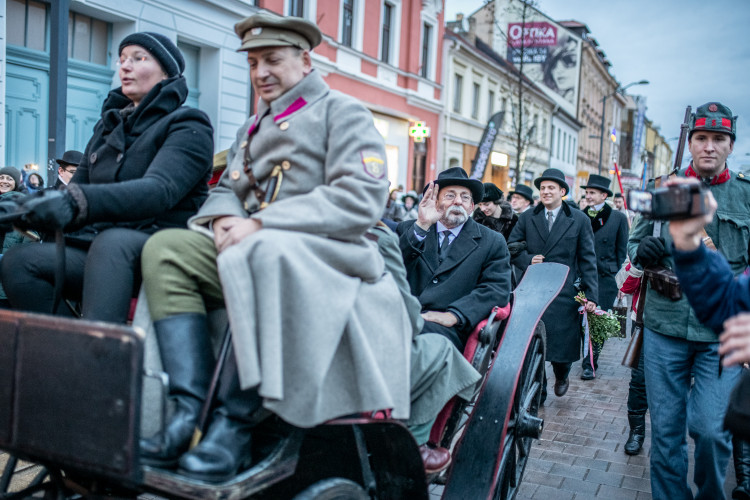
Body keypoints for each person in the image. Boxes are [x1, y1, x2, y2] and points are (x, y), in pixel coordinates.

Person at [138, 12, 410, 482]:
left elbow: (360, 198)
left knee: (258, 252)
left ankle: (233, 424)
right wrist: (225, 216)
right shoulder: (252, 127)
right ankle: (186, 411)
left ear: (305, 61)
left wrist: (262, 223)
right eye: (253, 62)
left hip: (330, 258)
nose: (261, 72)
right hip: (259, 251)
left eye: (273, 60)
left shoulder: (342, 113)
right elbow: (228, 188)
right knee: (166, 248)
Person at [0, 32, 213, 323]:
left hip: (159, 247)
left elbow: (158, 191)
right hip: (99, 245)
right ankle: (68, 350)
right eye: (122, 59)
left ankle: (99, 357)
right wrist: (25, 207)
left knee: (112, 244)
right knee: (19, 262)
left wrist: (78, 203)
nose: (125, 66)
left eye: (139, 59)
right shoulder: (108, 127)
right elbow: (75, 188)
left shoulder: (188, 124)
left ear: (167, 73)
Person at [628, 102, 748, 500]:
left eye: (719, 139)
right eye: (701, 138)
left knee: (712, 431)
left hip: (722, 333)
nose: (709, 147)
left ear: (731, 145)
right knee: (665, 433)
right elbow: (633, 244)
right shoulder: (663, 186)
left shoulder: (746, 196)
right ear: (691, 143)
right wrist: (642, 250)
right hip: (666, 324)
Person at [396, 167, 511, 352]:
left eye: (465, 197)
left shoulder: (492, 241)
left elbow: (496, 289)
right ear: (435, 201)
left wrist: (454, 315)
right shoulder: (410, 230)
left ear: (472, 207)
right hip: (402, 316)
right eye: (450, 195)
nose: (458, 201)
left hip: (451, 329)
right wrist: (423, 226)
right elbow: (393, 270)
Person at [508, 168, 598, 401]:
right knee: (534, 342)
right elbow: (511, 246)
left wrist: (591, 295)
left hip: (564, 290)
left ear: (562, 191)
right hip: (533, 289)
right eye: (543, 188)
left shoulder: (578, 219)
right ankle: (539, 389)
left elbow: (588, 259)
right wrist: (527, 259)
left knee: (561, 346)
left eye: (551, 188)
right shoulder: (528, 217)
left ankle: (562, 374)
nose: (546, 192)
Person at [580, 174, 629, 380]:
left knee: (597, 321)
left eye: (592, 193)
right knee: (582, 321)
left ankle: (590, 363)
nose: (588, 196)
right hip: (583, 275)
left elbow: (621, 250)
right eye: (587, 193)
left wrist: (620, 280)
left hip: (606, 277)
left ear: (603, 195)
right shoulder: (580, 215)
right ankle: (584, 356)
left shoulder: (618, 218)